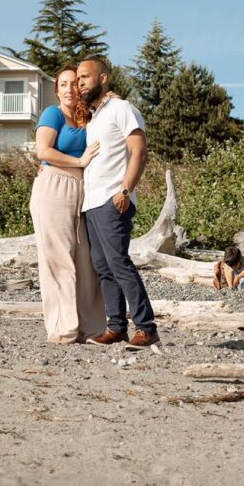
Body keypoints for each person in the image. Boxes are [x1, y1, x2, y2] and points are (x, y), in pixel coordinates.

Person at [76, 58, 160, 349]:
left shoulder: (122, 109)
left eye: (85, 76)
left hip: (114, 199)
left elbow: (139, 151)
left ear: (103, 78)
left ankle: (147, 328)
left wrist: (125, 189)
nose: (81, 82)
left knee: (119, 262)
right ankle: (116, 327)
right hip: (92, 203)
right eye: (78, 79)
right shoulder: (95, 117)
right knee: (103, 266)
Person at [29, 65, 107, 344]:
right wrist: (79, 161)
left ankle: (93, 326)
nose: (70, 89)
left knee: (87, 260)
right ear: (56, 90)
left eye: (75, 83)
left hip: (83, 190)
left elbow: (110, 98)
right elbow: (43, 151)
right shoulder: (53, 114)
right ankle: (64, 328)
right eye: (63, 84)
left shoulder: (88, 116)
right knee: (59, 259)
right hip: (55, 186)